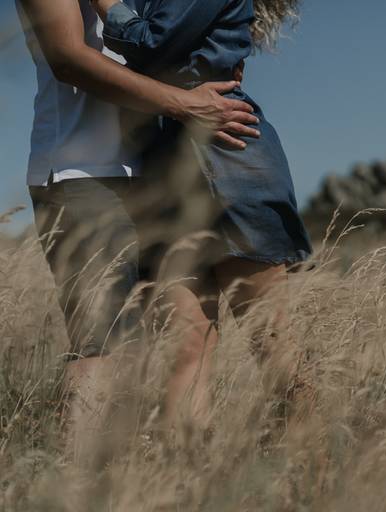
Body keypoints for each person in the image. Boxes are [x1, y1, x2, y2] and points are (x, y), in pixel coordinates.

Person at [16, 0, 259, 463]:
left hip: (163, 170)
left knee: (185, 336)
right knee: (102, 342)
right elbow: (68, 58)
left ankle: (170, 481)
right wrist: (186, 102)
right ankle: (75, 489)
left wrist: (214, 61)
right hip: (84, 174)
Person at [88, 0, 314, 425]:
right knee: (187, 346)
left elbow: (151, 44)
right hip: (165, 167)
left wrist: (105, 3)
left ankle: (316, 474)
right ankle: (189, 485)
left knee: (269, 339)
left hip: (226, 161)